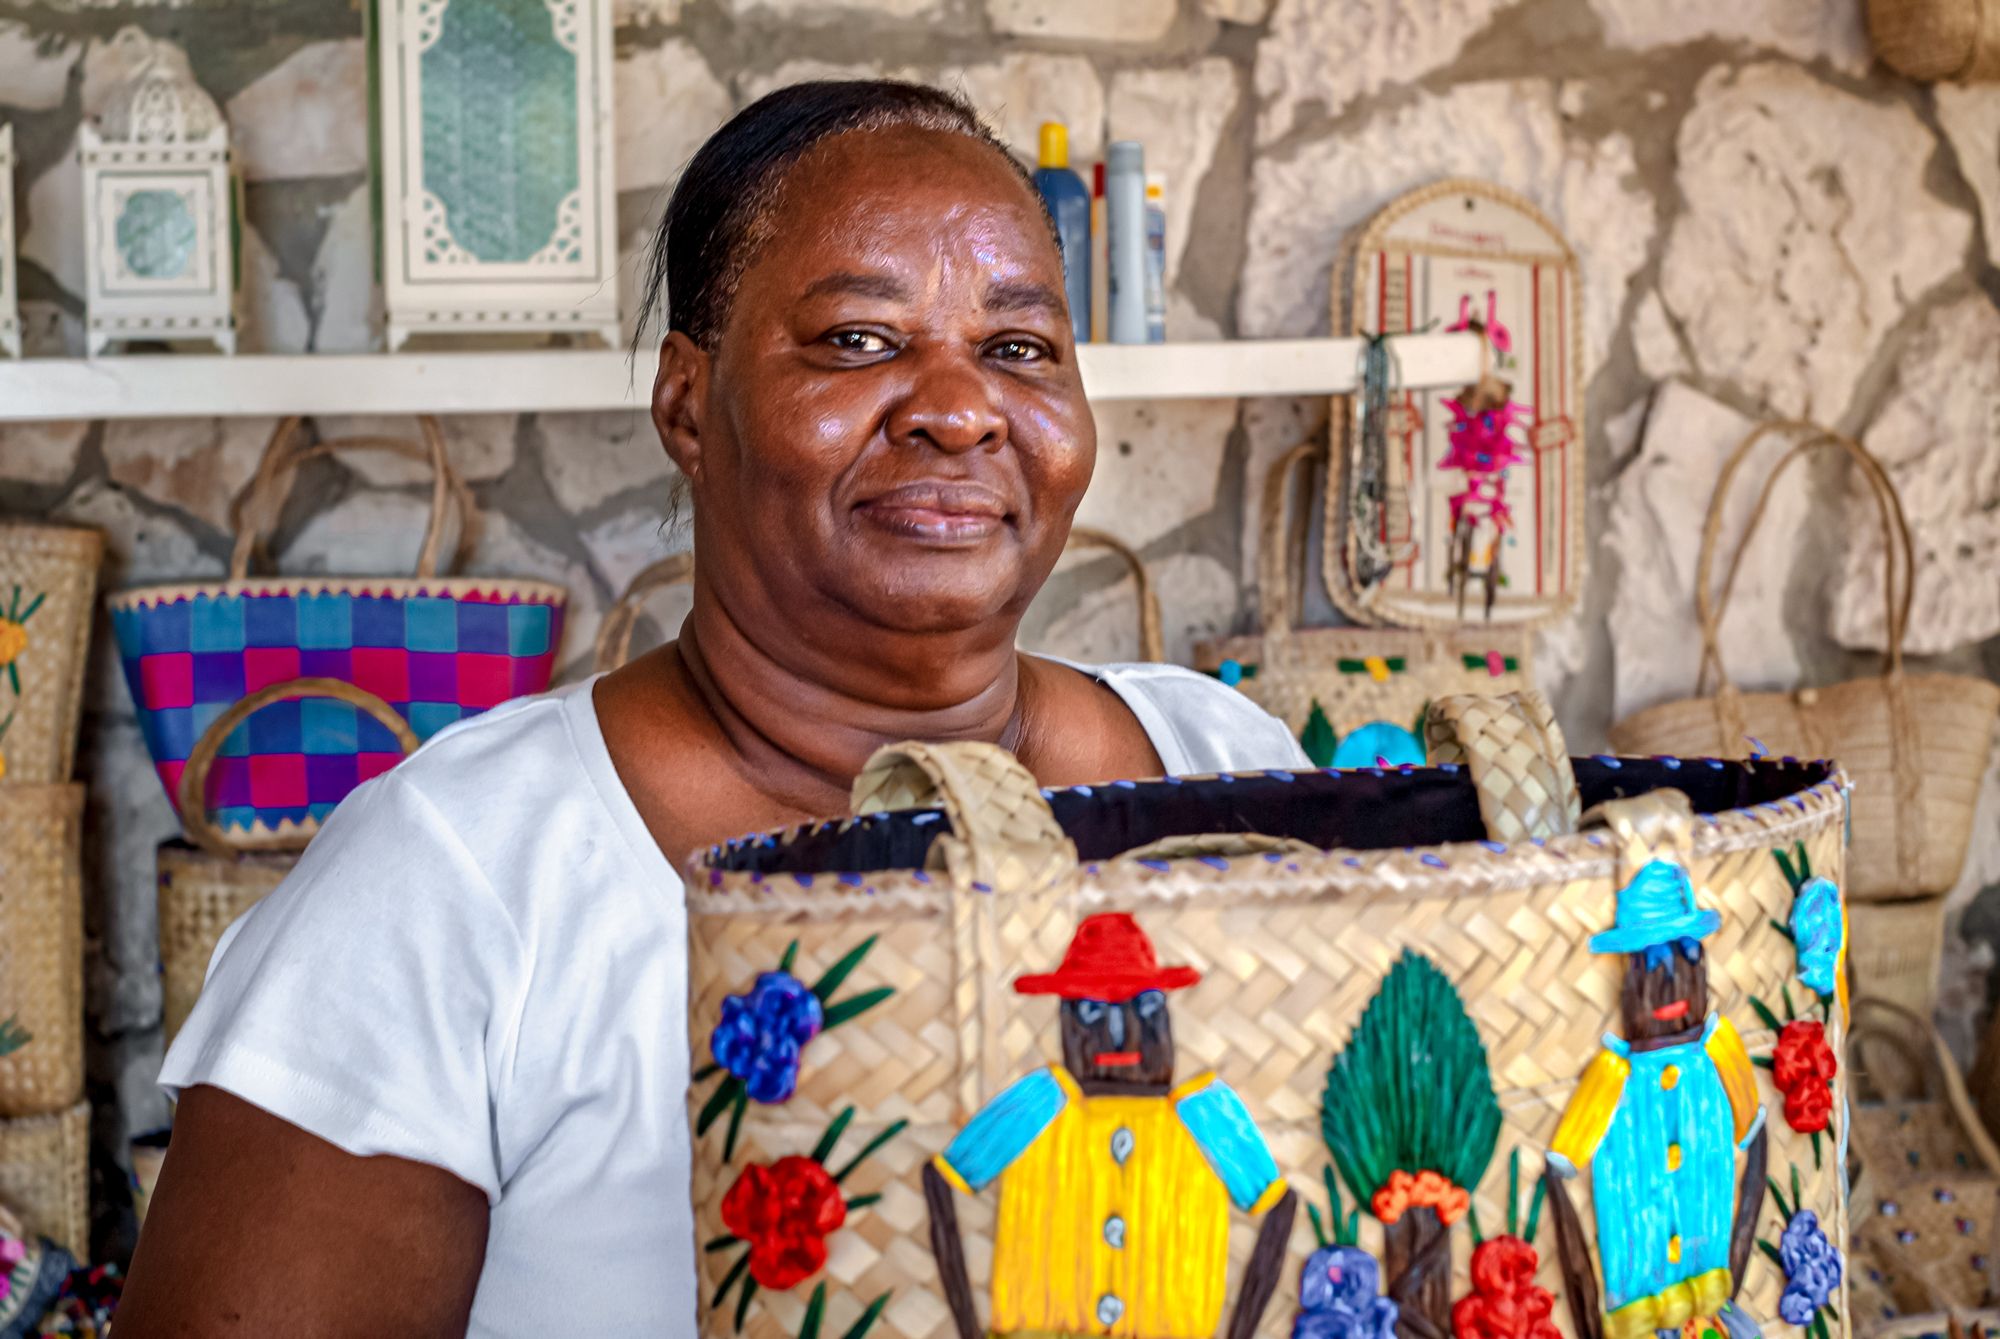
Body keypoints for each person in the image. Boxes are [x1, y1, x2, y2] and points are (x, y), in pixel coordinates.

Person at [116, 80, 1306, 1336]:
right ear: (687, 402)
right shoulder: (455, 882)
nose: (960, 409)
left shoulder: (1229, 770)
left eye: (1018, 349)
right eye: (857, 340)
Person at [925, 913, 1297, 1339]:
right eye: (1091, 1012)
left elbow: (1278, 1203)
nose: (1119, 1035)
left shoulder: (1206, 1113)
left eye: (1144, 1008)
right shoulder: (1041, 1103)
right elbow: (942, 1178)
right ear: (1065, 1018)